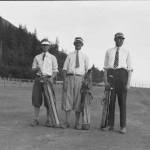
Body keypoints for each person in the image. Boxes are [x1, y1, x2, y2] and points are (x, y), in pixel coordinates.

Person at [103, 32, 133, 134]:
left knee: (122, 103)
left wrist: (128, 83)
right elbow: (106, 68)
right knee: (110, 102)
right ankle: (110, 125)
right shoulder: (109, 51)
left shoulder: (127, 52)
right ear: (115, 39)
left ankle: (123, 126)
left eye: (122, 39)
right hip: (111, 76)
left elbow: (130, 69)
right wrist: (106, 81)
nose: (120, 40)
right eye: (118, 38)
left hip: (122, 76)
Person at [62, 37, 90, 129]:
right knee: (68, 99)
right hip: (70, 77)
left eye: (80, 43)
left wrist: (86, 83)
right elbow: (64, 69)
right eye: (76, 43)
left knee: (78, 100)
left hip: (80, 79)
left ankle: (77, 123)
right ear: (74, 44)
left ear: (82, 45)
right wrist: (65, 80)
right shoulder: (69, 55)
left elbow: (88, 71)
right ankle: (67, 122)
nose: (78, 44)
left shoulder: (85, 56)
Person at [31, 38, 60, 128]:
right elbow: (33, 68)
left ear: (49, 46)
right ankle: (36, 119)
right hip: (38, 79)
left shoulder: (52, 57)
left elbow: (55, 70)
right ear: (41, 46)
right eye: (43, 45)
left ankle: (48, 120)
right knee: (36, 99)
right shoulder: (37, 57)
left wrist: (52, 78)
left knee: (49, 100)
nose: (45, 46)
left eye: (46, 45)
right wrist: (37, 68)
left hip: (48, 79)